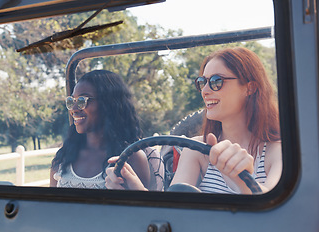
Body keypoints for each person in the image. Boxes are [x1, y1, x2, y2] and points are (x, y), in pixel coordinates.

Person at [105, 47, 282, 194]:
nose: (204, 90)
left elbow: (278, 210)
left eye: (216, 81)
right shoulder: (196, 149)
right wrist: (137, 191)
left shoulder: (277, 151)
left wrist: (241, 178)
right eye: (202, 82)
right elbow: (174, 212)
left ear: (249, 88)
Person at [50, 70, 151, 189]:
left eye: (82, 100)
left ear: (109, 104)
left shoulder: (132, 158)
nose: (74, 109)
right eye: (71, 101)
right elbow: (50, 206)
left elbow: (142, 206)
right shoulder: (63, 156)